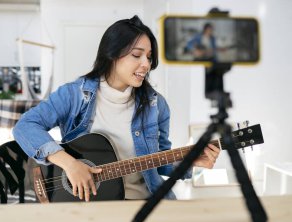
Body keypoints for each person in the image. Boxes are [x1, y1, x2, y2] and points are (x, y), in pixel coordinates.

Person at [13, 15, 220, 201]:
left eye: (148, 57)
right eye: (137, 55)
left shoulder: (157, 106)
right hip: (91, 204)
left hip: (145, 203)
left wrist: (191, 162)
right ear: (112, 54)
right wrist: (70, 164)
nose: (146, 64)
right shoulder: (74, 95)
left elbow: (159, 161)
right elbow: (25, 126)